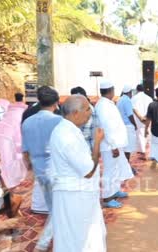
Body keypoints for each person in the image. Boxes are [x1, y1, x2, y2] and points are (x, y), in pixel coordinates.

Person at [49, 95, 106, 252]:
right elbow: (88, 171)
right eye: (87, 109)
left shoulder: (69, 130)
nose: (90, 112)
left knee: (83, 237)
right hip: (75, 196)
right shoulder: (67, 136)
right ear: (75, 113)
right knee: (79, 240)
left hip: (78, 194)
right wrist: (97, 143)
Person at [21, 86, 62, 251]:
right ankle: (43, 243)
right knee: (59, 208)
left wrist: (30, 169)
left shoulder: (27, 122)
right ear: (57, 103)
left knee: (54, 207)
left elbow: (25, 152)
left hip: (39, 170)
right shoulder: (59, 122)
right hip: (57, 170)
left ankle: (57, 237)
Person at [95, 81, 134, 209]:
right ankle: (107, 197)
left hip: (115, 143)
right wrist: (113, 146)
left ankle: (114, 191)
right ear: (111, 90)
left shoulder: (107, 104)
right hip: (110, 145)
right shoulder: (103, 106)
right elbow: (106, 128)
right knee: (109, 171)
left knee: (116, 169)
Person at [117, 84, 138, 162]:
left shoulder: (120, 99)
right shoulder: (127, 100)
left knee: (124, 148)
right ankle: (127, 165)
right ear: (130, 92)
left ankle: (125, 165)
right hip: (128, 127)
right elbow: (130, 115)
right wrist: (135, 124)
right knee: (128, 148)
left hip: (121, 126)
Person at [131, 84, 153, 159]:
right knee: (148, 135)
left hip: (138, 120)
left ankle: (143, 153)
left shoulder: (134, 98)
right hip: (148, 119)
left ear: (137, 90)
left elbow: (134, 109)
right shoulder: (149, 98)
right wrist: (146, 118)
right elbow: (151, 109)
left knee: (140, 136)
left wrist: (141, 118)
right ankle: (149, 153)